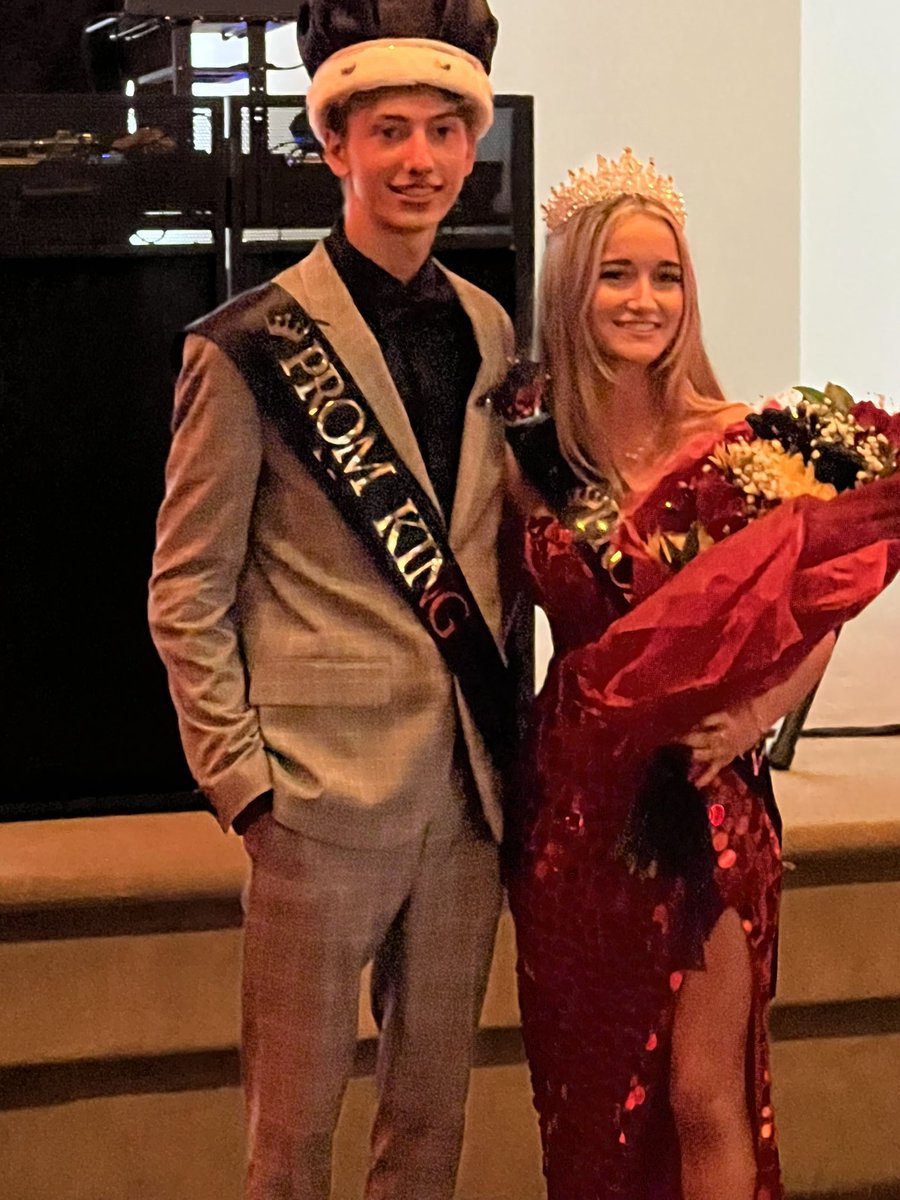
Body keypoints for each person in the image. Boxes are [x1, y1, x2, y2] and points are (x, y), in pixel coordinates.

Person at [148, 3, 518, 1198]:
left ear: (471, 149)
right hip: (313, 801)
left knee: (429, 1131)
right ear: (336, 146)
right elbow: (186, 588)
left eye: (443, 132)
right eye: (391, 130)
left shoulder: (493, 328)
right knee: (290, 1141)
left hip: (466, 804)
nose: (419, 159)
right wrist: (244, 783)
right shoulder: (244, 346)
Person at [502, 149, 900, 1200]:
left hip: (703, 799)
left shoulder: (746, 447)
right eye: (617, 274)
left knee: (702, 1094)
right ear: (570, 288)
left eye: (666, 275)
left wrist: (758, 714)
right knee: (592, 1097)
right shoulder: (528, 453)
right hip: (574, 812)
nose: (645, 300)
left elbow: (819, 597)